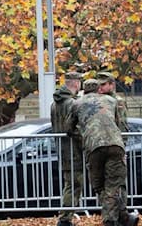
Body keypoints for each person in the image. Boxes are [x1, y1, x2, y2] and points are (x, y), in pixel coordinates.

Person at [67, 72, 138, 226]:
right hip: (115, 145)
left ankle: (111, 220)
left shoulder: (77, 103)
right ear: (98, 88)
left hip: (93, 148)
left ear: (84, 89)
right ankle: (123, 217)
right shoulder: (111, 101)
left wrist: (83, 134)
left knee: (99, 186)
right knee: (113, 186)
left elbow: (69, 128)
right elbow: (119, 124)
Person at [50, 71, 83, 226]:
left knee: (69, 184)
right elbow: (75, 128)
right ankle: (65, 219)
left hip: (62, 149)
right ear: (76, 83)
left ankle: (66, 217)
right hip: (73, 150)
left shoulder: (54, 104)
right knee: (73, 185)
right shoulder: (72, 104)